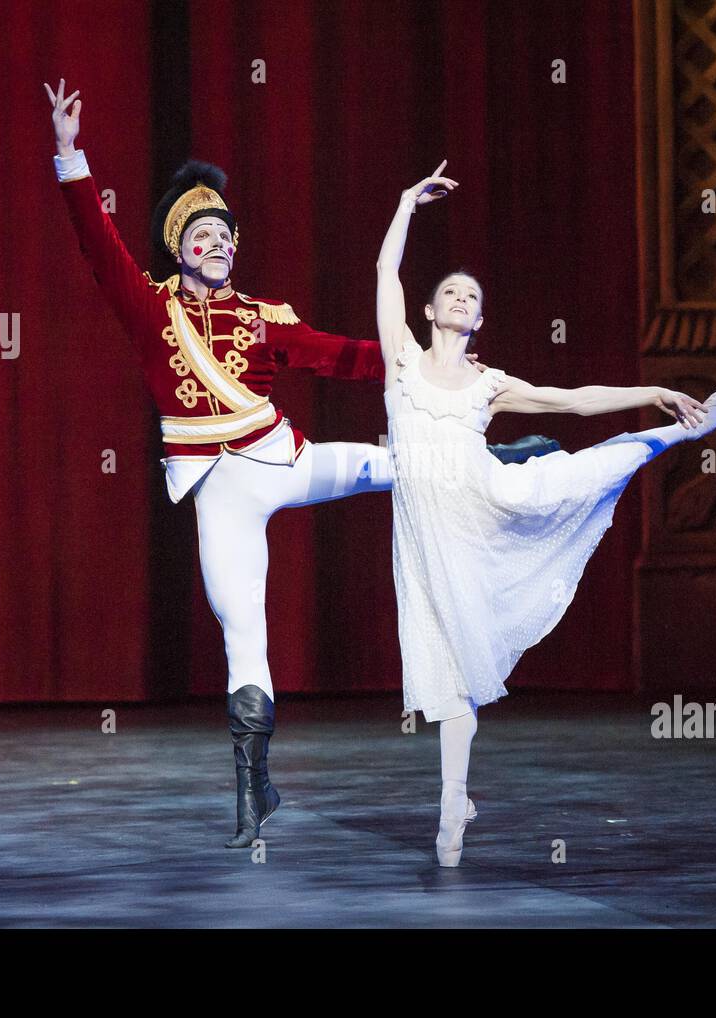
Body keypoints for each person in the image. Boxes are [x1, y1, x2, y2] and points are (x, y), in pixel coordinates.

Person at [44, 83, 553, 848]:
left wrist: (427, 361)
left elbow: (340, 355)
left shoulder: (260, 317)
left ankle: (493, 453)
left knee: (396, 464)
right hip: (219, 491)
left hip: (284, 460)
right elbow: (96, 242)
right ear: (178, 249)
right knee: (242, 634)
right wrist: (68, 152)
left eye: (224, 237)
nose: (216, 247)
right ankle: (254, 789)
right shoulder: (151, 310)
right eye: (201, 238)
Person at [375, 162, 716, 866]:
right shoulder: (401, 361)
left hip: (491, 502)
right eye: (448, 291)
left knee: (587, 468)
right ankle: (453, 805)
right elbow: (387, 269)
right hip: (424, 538)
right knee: (446, 674)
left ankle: (678, 428)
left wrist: (653, 388)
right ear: (428, 312)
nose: (457, 298)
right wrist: (404, 203)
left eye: (470, 296)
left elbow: (573, 400)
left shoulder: (489, 383)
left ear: (480, 319)